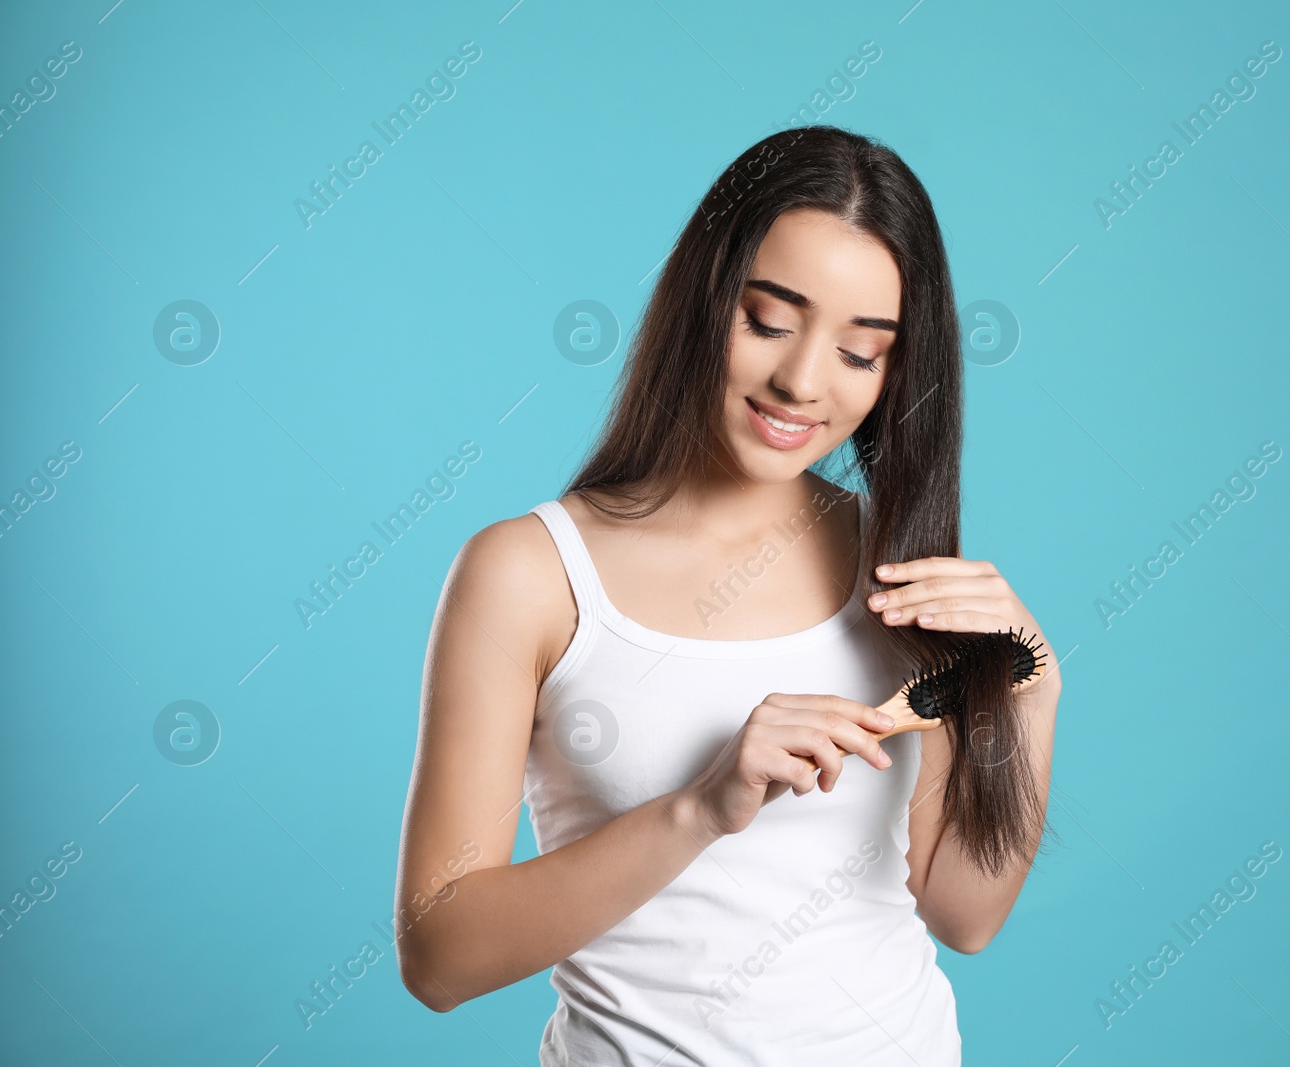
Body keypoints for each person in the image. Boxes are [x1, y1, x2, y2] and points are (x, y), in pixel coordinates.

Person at [392, 125, 1062, 1065]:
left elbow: (964, 911)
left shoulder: (896, 568)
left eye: (860, 353)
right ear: (702, 301)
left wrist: (1031, 691)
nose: (801, 380)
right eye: (769, 321)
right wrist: (700, 807)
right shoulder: (528, 574)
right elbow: (438, 953)